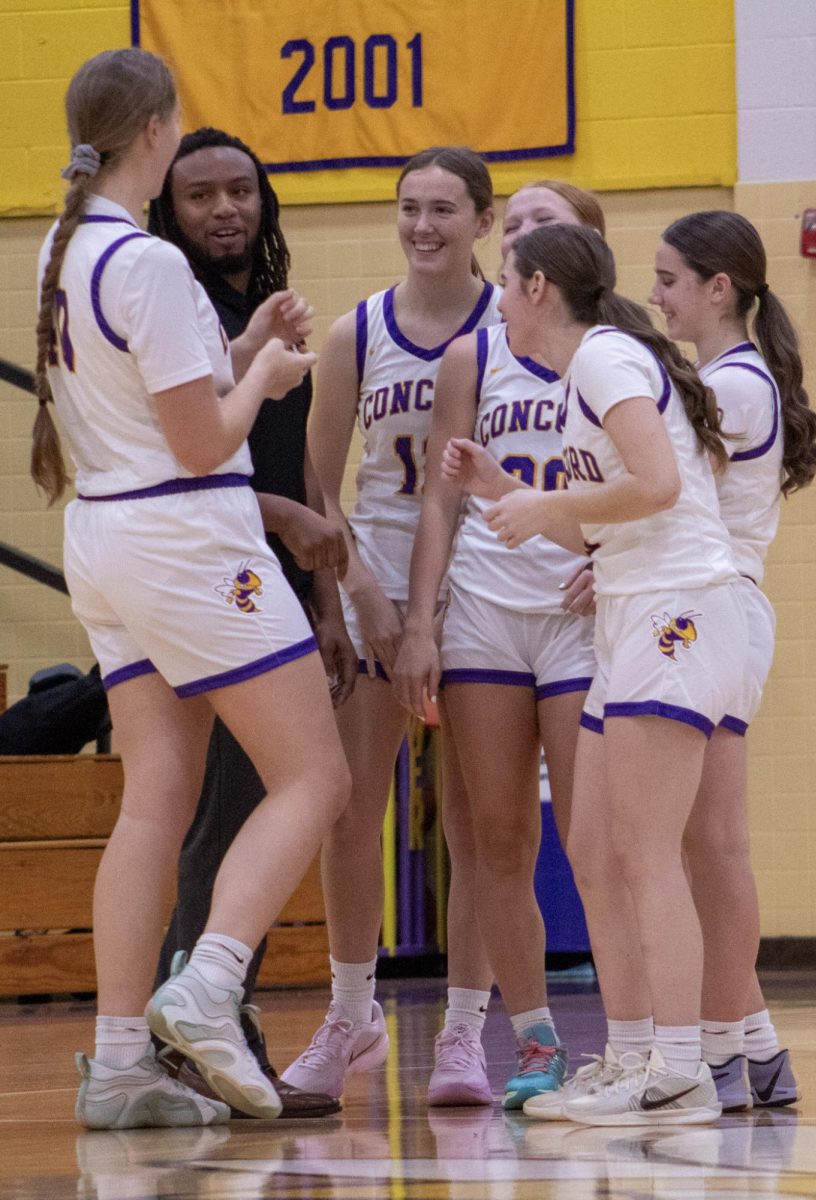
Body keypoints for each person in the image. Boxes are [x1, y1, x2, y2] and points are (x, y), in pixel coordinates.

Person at [33, 48, 350, 1129]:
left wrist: (246, 342)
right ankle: (210, 984)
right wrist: (265, 378)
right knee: (314, 774)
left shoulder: (61, 247)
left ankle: (121, 1062)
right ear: (159, 131)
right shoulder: (151, 265)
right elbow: (203, 437)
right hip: (186, 535)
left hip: (107, 538)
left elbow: (155, 392)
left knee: (155, 797)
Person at [443, 221, 745, 1126]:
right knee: (596, 851)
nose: (495, 301)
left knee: (645, 850)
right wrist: (508, 491)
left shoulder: (605, 359)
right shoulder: (587, 376)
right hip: (628, 614)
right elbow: (595, 523)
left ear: (538, 289)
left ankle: (683, 1069)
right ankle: (629, 1056)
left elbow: (656, 485)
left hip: (676, 608)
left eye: (503, 281)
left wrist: (551, 502)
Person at [280, 146, 500, 1101]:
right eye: (409, 206)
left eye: (444, 209)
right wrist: (356, 592)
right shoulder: (355, 332)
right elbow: (318, 480)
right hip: (376, 587)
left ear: (482, 222)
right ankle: (349, 1011)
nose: (423, 226)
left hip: (481, 593)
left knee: (477, 825)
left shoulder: (514, 332)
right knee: (345, 806)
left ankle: (463, 1031)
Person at [145, 126, 356, 1118]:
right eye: (200, 196)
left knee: (257, 807)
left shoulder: (265, 314)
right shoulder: (170, 311)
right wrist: (286, 519)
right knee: (222, 815)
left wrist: (330, 600)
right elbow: (194, 463)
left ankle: (204, 1026)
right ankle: (197, 1030)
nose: (224, 209)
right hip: (207, 578)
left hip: (272, 585)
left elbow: (287, 452)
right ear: (168, 209)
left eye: (240, 191)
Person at [393, 181, 604, 1109]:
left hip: (575, 613)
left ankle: (643, 1039)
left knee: (596, 840)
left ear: (583, 247)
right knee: (498, 842)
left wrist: (621, 556)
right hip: (483, 613)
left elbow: (661, 480)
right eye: (510, 223)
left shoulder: (619, 352)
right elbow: (439, 499)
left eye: (541, 221)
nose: (519, 235)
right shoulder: (470, 357)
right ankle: (531, 1044)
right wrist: (419, 618)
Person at [649, 210, 816, 1109]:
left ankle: (718, 1048)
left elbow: (664, 500)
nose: (656, 296)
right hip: (717, 611)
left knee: (711, 847)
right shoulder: (729, 377)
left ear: (720, 289)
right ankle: (754, 1049)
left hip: (714, 607)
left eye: (670, 279)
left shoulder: (733, 386)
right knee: (703, 846)